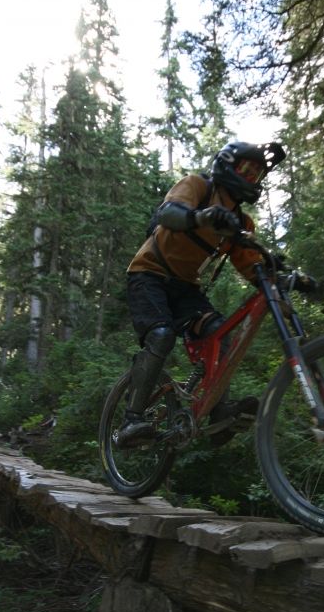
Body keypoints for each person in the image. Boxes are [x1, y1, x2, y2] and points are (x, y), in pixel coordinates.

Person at [115, 140, 287, 449]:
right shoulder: (196, 186)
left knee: (219, 334)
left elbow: (252, 267)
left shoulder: (241, 222)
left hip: (186, 288)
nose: (251, 178)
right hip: (148, 274)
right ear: (227, 165)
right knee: (161, 335)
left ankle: (219, 414)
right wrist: (203, 217)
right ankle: (131, 420)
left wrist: (286, 278)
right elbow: (169, 213)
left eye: (257, 174)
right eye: (246, 170)